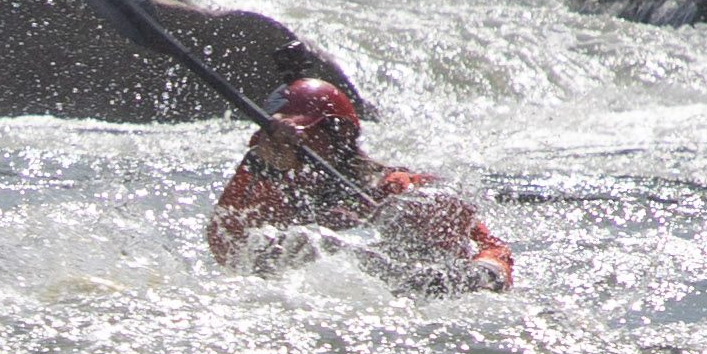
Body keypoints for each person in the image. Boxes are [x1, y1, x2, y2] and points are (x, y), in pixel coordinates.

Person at [205, 62, 515, 290]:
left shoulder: (396, 189)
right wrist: (259, 164)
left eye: (300, 139)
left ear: (339, 136)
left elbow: (492, 249)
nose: (288, 152)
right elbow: (228, 249)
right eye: (276, 146)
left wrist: (483, 273)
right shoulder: (273, 198)